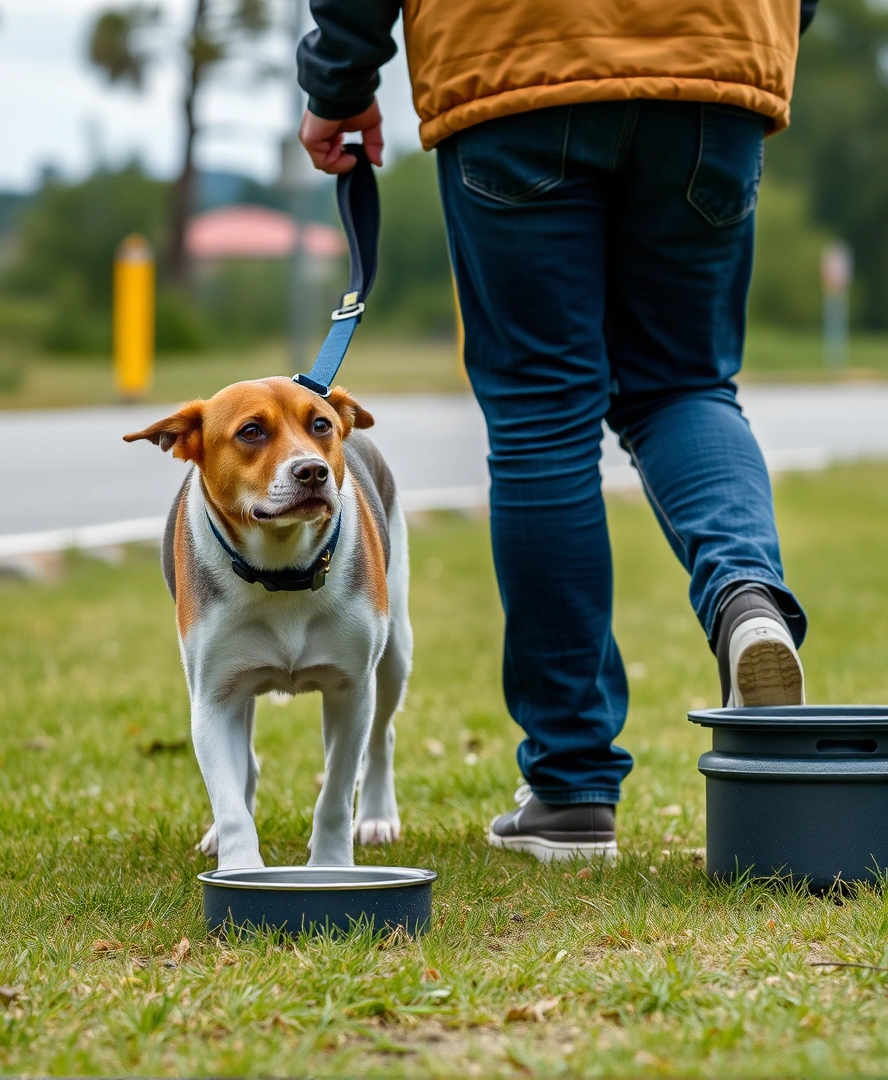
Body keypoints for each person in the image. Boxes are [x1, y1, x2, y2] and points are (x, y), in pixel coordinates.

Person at [297, 0, 818, 862]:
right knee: (686, 384)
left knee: (544, 415)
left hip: (517, 55)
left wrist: (340, 79)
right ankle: (745, 597)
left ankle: (571, 791)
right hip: (717, 54)